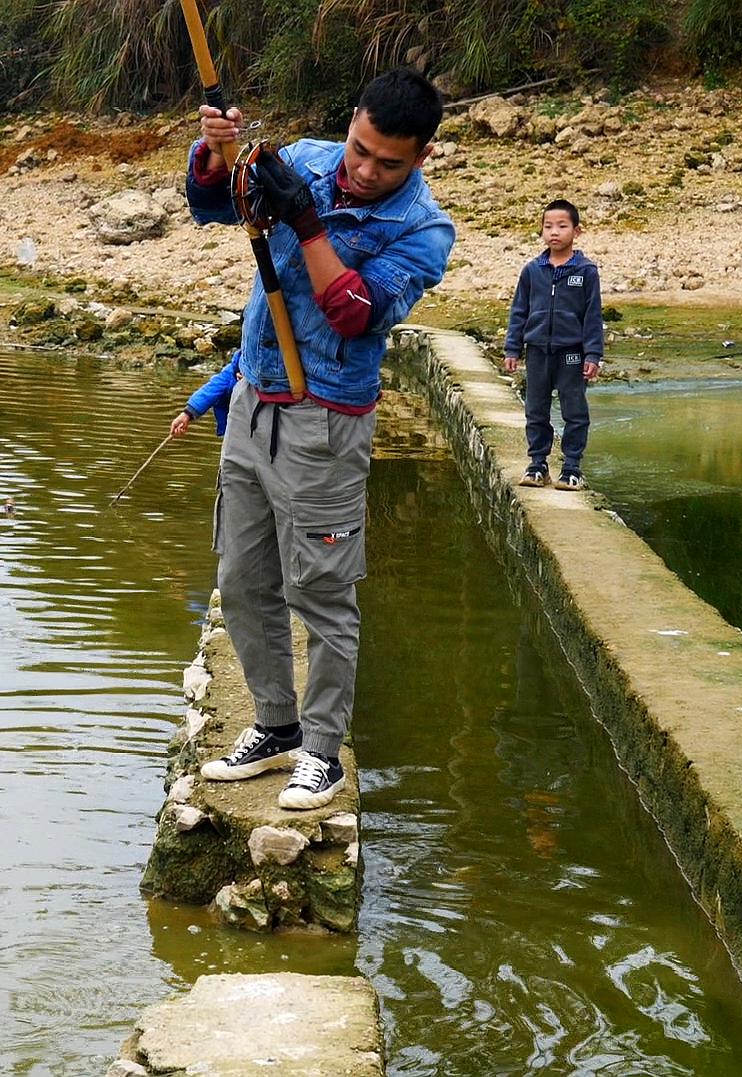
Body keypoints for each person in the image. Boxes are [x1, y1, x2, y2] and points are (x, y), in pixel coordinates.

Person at [181, 68, 455, 811]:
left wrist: (306, 223)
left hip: (326, 419)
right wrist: (217, 153)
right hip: (253, 398)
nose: (363, 171)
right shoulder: (303, 158)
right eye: (359, 149)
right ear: (352, 122)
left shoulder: (423, 230)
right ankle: (276, 725)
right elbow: (213, 205)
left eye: (386, 163)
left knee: (322, 592)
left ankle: (323, 754)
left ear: (421, 156)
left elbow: (355, 312)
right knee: (243, 579)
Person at [503, 199, 603, 491]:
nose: (554, 232)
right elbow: (519, 311)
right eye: (548, 227)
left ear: (577, 231)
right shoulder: (532, 271)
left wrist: (593, 354)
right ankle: (537, 464)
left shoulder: (585, 271)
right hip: (537, 351)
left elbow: (593, 316)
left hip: (572, 354)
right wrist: (512, 348)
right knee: (535, 409)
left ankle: (572, 468)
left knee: (574, 410)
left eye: (562, 226)